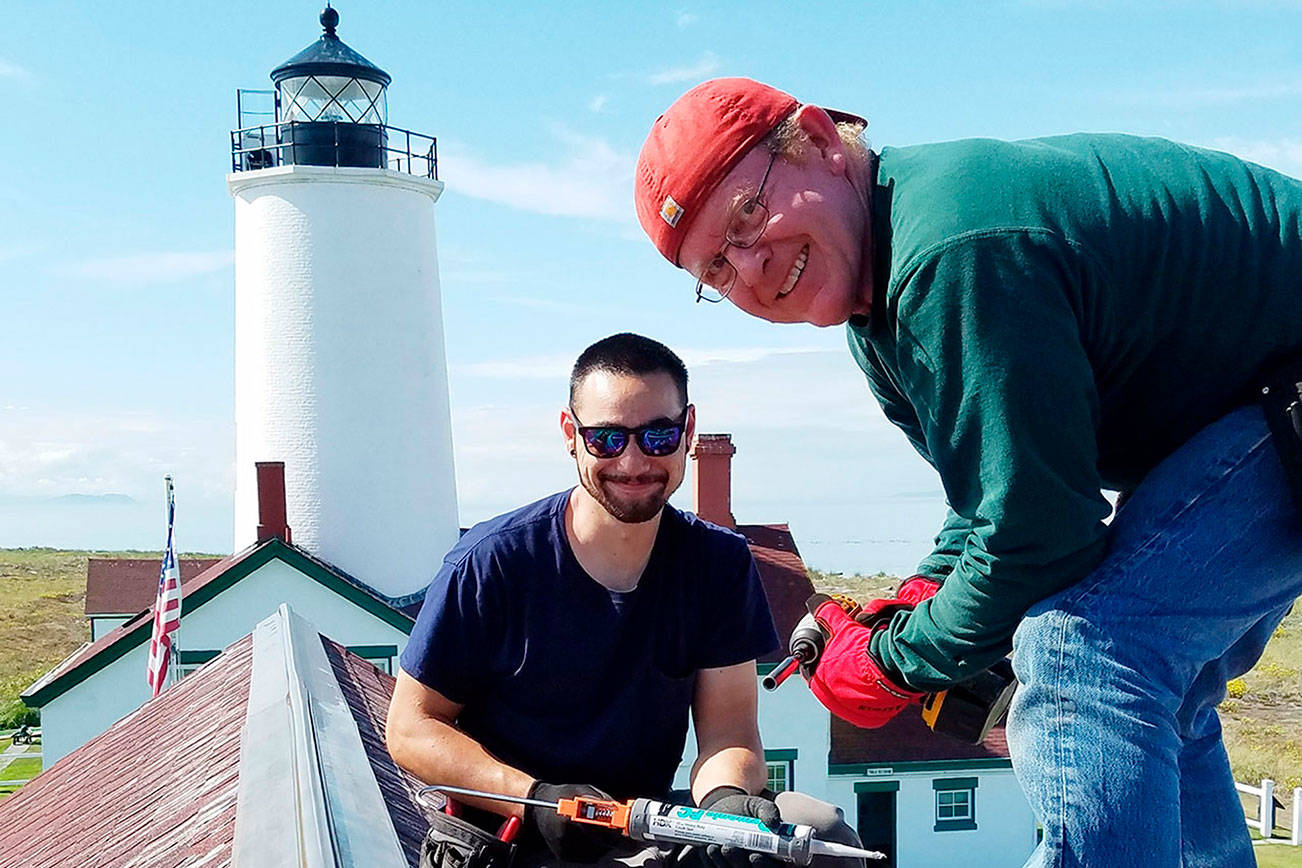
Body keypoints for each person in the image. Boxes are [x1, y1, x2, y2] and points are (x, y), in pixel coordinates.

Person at [633, 77, 1302, 867]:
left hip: (1279, 395)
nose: (748, 267)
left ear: (816, 139)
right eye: (714, 269)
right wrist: (911, 604)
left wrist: (890, 662)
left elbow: (1042, 535)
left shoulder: (951, 254)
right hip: (1261, 404)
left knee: (1082, 656)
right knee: (1157, 686)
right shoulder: (882, 302)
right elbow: (991, 499)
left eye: (748, 213)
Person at [387, 332, 862, 868]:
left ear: (688, 432)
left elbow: (728, 731)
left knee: (822, 838)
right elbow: (411, 728)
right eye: (608, 439)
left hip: (640, 833)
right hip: (511, 838)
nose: (634, 462)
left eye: (657, 436)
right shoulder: (491, 562)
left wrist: (727, 808)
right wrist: (537, 798)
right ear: (571, 435)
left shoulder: (718, 562)